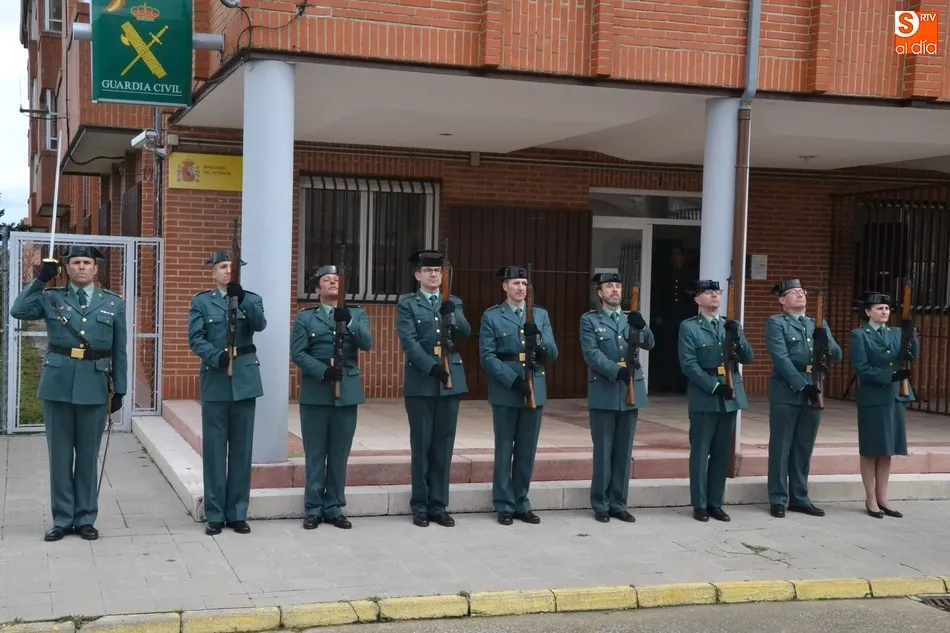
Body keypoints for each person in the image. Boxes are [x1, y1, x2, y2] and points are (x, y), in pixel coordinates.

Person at [10, 246, 127, 542]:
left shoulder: (113, 303)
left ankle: (85, 518)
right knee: (60, 457)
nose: (82, 267)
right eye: (76, 262)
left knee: (87, 456)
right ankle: (62, 519)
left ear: (96, 269)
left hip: (95, 386)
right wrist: (40, 279)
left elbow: (120, 350)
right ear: (67, 267)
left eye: (87, 262)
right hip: (58, 386)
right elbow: (18, 310)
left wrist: (120, 389)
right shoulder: (51, 298)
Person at [188, 251, 267, 536]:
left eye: (231, 268)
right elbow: (195, 338)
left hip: (245, 380)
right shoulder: (202, 302)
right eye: (222, 267)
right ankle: (215, 514)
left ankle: (237, 513)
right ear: (213, 273)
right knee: (214, 451)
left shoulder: (251, 298)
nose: (226, 271)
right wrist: (215, 356)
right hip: (216, 380)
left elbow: (260, 324)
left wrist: (241, 299)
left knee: (241, 451)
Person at [290, 265, 373, 530]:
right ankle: (314, 508)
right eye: (327, 280)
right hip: (316, 392)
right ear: (318, 289)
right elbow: (298, 353)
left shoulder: (356, 314)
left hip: (346, 393)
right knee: (315, 453)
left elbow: (367, 343)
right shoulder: (306, 317)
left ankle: (334, 507)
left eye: (336, 279)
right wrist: (323, 371)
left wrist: (348, 321)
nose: (333, 283)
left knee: (339, 453)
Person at [395, 249, 471, 527]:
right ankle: (420, 505)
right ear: (418, 275)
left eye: (437, 271)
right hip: (422, 381)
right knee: (422, 444)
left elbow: (465, 333)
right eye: (428, 270)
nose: (433, 275)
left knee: (444, 445)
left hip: (450, 381)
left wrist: (454, 315)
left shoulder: (453, 301)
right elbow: (409, 342)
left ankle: (438, 504)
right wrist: (431, 367)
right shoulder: (408, 304)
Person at [478, 266, 559, 526]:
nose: (521, 288)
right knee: (505, 449)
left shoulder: (540, 314)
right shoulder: (492, 316)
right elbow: (487, 356)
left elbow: (553, 352)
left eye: (524, 283)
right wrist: (513, 381)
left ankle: (522, 502)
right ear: (505, 287)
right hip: (506, 388)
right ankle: (504, 504)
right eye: (515, 283)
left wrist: (539, 340)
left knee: (526, 450)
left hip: (535, 386)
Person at [579, 272, 654, 523]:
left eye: (618, 286)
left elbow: (650, 344)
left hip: (630, 391)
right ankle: (600, 503)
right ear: (600, 293)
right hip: (604, 390)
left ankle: (619, 503)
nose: (615, 290)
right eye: (609, 286)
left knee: (624, 451)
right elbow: (592, 354)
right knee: (603, 451)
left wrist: (642, 326)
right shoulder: (590, 320)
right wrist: (616, 370)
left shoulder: (630, 318)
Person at [677, 279, 754, 523]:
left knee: (722, 454)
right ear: (697, 299)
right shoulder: (689, 327)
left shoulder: (730, 325)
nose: (714, 296)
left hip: (730, 395)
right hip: (705, 395)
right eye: (708, 292)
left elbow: (748, 357)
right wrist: (714, 386)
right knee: (701, 453)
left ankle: (715, 503)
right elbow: (689, 364)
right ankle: (700, 504)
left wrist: (737, 336)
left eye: (717, 292)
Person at [764, 279, 842, 518]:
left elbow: (837, 355)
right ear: (782, 300)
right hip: (787, 391)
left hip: (814, 387)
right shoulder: (777, 323)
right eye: (793, 292)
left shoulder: (817, 323)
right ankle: (778, 498)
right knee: (781, 447)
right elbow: (781, 358)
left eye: (802, 291)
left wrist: (824, 340)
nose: (800, 295)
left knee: (803, 447)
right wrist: (801, 386)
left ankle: (799, 497)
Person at [849, 291, 918, 519]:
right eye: (879, 308)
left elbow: (912, 355)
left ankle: (883, 497)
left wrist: (911, 334)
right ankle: (871, 498)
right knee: (871, 449)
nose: (885, 311)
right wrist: (889, 376)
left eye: (887, 308)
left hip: (895, 396)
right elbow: (861, 367)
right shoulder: (860, 335)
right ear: (868, 312)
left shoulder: (896, 332)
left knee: (887, 449)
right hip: (873, 398)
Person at [651, 246, 693, 393]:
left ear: (683, 256)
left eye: (678, 254)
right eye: (673, 254)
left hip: (684, 317)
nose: (676, 257)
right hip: (667, 317)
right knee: (666, 351)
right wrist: (657, 314)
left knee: (682, 351)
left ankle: (681, 383)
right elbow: (657, 295)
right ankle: (666, 382)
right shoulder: (665, 274)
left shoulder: (690, 273)